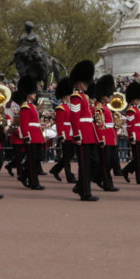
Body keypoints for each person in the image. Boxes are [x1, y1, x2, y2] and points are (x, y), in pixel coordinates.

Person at [66, 60, 100, 201]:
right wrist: (77, 135)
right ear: (79, 82)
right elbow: (74, 118)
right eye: (85, 82)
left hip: (89, 134)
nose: (88, 84)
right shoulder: (76, 97)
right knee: (85, 166)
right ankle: (85, 192)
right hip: (82, 135)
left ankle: (80, 185)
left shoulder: (83, 97)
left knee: (95, 162)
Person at [17, 76, 45, 190]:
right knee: (32, 160)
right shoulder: (25, 107)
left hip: (37, 135)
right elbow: (24, 124)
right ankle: (34, 182)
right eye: (33, 93)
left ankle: (24, 175)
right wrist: (26, 137)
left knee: (37, 158)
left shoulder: (32, 106)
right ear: (28, 94)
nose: (35, 94)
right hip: (31, 136)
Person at [94, 74, 120, 192]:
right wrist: (101, 138)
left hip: (111, 137)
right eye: (107, 95)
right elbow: (99, 125)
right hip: (105, 138)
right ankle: (108, 184)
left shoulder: (106, 107)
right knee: (106, 163)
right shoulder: (99, 108)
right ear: (102, 96)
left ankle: (98, 178)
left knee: (109, 162)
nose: (109, 97)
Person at [48, 78, 77, 183]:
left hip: (71, 134)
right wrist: (62, 135)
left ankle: (55, 170)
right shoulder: (61, 108)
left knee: (68, 156)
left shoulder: (68, 107)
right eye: (69, 95)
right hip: (66, 135)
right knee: (67, 157)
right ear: (65, 96)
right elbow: (60, 124)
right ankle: (69, 176)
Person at [121, 82, 140, 184]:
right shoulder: (131, 110)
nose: (138, 100)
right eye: (137, 99)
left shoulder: (136, 109)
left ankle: (125, 170)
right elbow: (130, 125)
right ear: (133, 99)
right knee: (138, 159)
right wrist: (132, 138)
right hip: (136, 137)